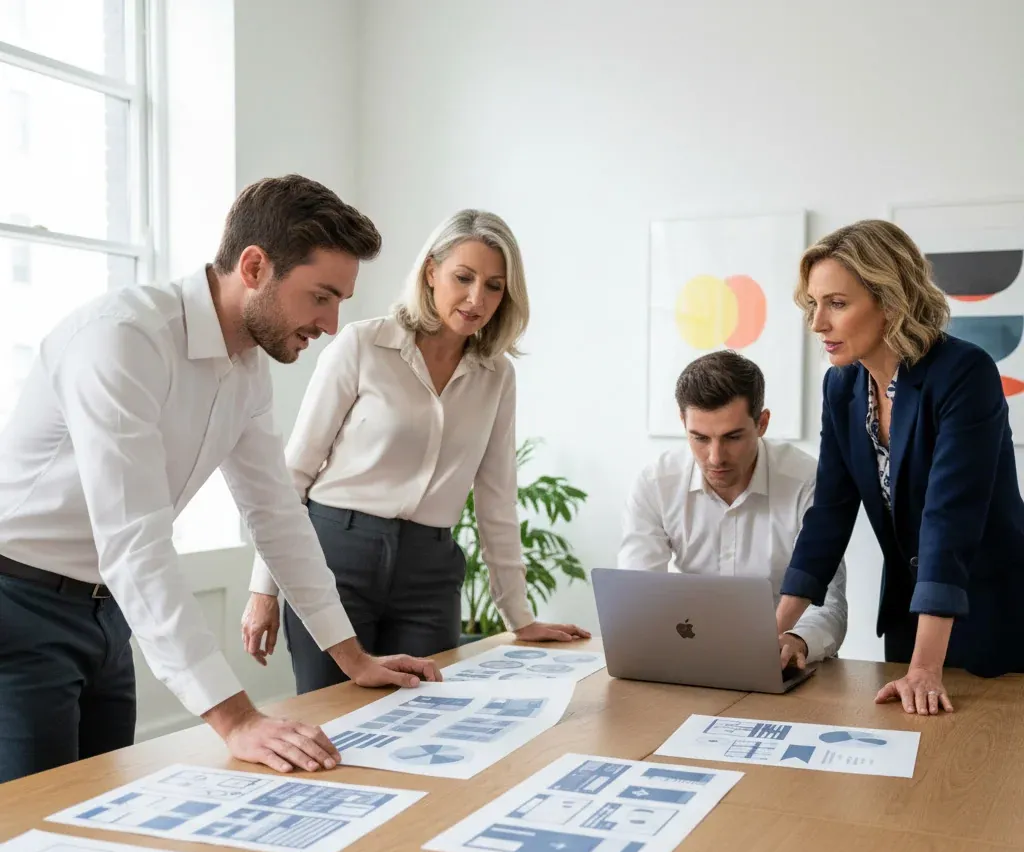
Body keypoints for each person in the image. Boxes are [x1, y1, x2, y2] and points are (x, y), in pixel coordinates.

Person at [0, 174, 439, 785]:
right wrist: (237, 720)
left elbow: (277, 514)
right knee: (26, 834)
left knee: (95, 816)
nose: (333, 324)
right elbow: (135, 542)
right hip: (17, 606)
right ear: (255, 266)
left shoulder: (247, 368)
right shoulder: (123, 340)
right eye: (321, 296)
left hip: (106, 614)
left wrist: (351, 656)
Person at [241, 209, 589, 692]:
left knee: (425, 717)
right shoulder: (362, 345)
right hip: (335, 558)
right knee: (330, 716)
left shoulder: (497, 376)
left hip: (429, 572)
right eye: (463, 278)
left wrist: (519, 618)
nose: (476, 299)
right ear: (430, 272)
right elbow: (294, 473)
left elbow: (496, 499)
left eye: (494, 286)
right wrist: (264, 591)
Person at [777, 219, 1024, 715]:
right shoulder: (841, 387)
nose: (817, 323)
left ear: (891, 302)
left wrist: (927, 666)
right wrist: (769, 633)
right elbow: (828, 515)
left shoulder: (964, 373)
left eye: (837, 304)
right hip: (910, 619)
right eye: (813, 304)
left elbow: (948, 520)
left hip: (991, 614)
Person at [619, 350, 847, 667]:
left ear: (762, 423)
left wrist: (798, 640)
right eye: (699, 437)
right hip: (688, 657)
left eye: (733, 437)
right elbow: (637, 593)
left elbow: (829, 603)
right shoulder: (656, 483)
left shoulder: (807, 482)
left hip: (782, 662)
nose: (715, 457)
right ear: (682, 421)